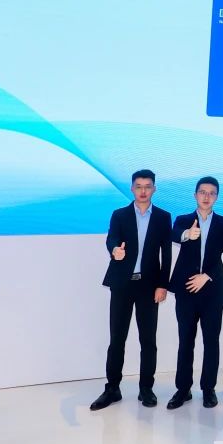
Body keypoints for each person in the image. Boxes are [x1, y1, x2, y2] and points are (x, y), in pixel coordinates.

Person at [92, 169, 172, 411]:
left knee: (148, 340)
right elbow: (111, 239)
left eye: (148, 186)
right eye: (139, 186)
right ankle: (112, 388)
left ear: (154, 189)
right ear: (132, 188)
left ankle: (146, 388)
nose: (143, 191)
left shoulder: (163, 217)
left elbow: (167, 254)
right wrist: (114, 250)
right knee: (117, 338)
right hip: (122, 285)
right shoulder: (119, 215)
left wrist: (163, 285)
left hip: (149, 287)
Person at [167, 177, 223, 410]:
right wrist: (186, 234)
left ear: (217, 197)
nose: (206, 196)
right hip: (186, 289)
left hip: (212, 291)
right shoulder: (183, 220)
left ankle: (208, 389)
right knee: (186, 341)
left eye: (211, 193)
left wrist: (208, 274)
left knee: (211, 341)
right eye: (202, 192)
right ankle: (183, 389)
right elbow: (174, 234)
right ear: (195, 195)